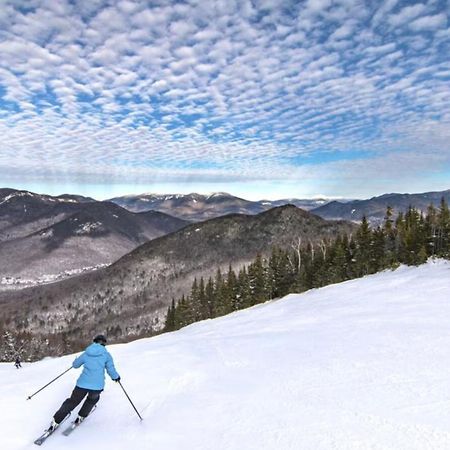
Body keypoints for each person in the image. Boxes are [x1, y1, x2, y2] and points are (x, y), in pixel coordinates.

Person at [48, 334, 120, 431]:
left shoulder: (86, 353)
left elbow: (75, 365)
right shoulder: (106, 355)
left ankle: (56, 420)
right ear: (104, 344)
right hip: (97, 386)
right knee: (91, 400)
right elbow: (111, 369)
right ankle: (82, 416)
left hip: (82, 384)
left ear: (94, 341)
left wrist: (77, 360)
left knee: (72, 401)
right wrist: (116, 377)